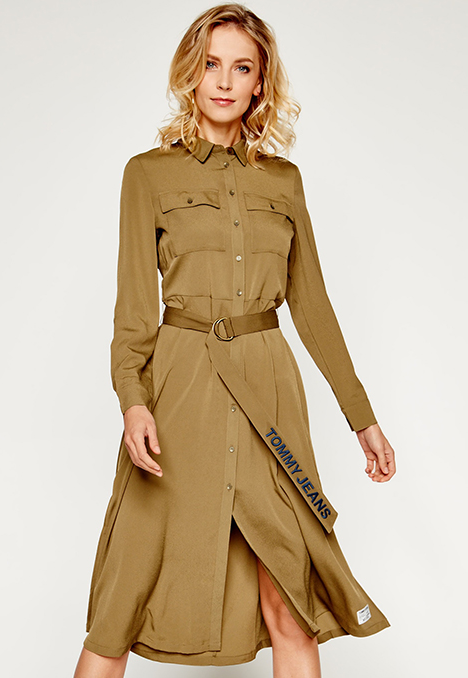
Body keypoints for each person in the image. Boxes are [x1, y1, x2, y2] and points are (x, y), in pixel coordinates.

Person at [73, 4, 396, 677]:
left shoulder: (284, 182)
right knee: (122, 596)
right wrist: (133, 401)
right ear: (190, 74)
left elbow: (313, 307)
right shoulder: (148, 174)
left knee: (289, 596)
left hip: (268, 392)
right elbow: (133, 312)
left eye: (241, 67)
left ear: (260, 81)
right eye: (211, 64)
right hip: (180, 390)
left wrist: (360, 416)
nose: (223, 81)